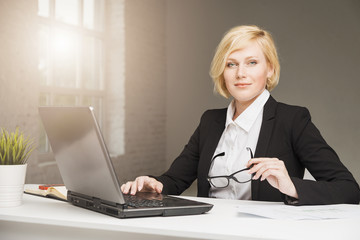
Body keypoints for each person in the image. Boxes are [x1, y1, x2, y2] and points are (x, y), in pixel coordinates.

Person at [121, 25, 360, 205]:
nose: (240, 73)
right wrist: (153, 183)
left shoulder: (292, 120)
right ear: (222, 72)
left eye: (252, 62)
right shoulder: (210, 121)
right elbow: (175, 180)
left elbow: (349, 189)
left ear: (270, 69)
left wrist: (292, 186)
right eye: (231, 64)